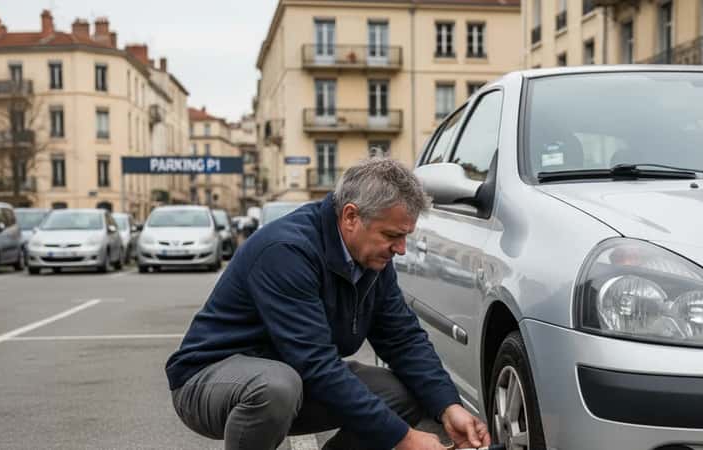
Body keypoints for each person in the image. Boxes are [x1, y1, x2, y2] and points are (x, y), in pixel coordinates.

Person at [166, 158, 490, 450]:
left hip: (296, 378)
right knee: (275, 387)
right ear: (350, 216)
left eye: (405, 236)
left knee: (403, 395)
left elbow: (402, 338)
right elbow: (315, 363)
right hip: (210, 380)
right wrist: (404, 439)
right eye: (392, 235)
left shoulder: (371, 259)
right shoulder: (286, 251)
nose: (401, 249)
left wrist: (450, 407)